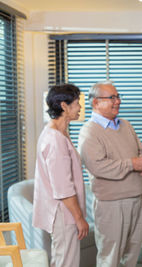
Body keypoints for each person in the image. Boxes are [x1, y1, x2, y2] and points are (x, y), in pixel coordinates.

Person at [78, 81, 142, 267]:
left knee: (133, 253)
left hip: (135, 198)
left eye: (118, 96)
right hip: (111, 204)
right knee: (110, 256)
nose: (117, 101)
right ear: (95, 103)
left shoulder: (126, 125)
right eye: (112, 98)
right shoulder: (89, 131)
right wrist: (131, 164)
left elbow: (139, 151)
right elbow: (98, 167)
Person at [33, 84, 89, 267]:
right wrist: (79, 218)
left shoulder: (60, 134)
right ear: (64, 106)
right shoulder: (55, 139)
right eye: (76, 103)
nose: (80, 107)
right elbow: (63, 188)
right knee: (67, 262)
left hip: (64, 213)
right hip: (64, 215)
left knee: (62, 260)